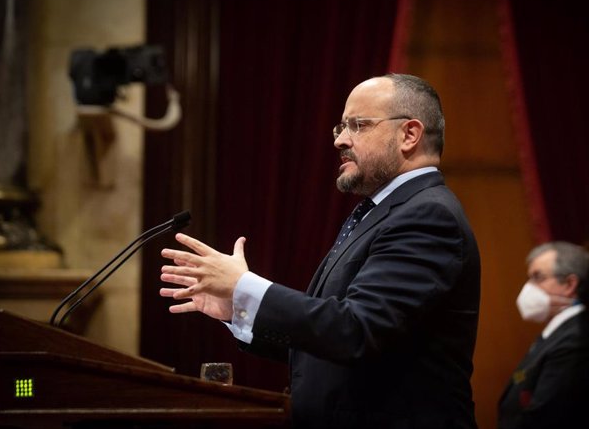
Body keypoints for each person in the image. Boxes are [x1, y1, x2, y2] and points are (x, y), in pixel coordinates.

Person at [159, 73, 481, 429]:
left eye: (358, 125)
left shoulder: (428, 216)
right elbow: (327, 344)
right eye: (340, 127)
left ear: (409, 135)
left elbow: (356, 331)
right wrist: (238, 308)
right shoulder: (383, 211)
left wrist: (245, 286)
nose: (341, 140)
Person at [498, 241, 589, 429]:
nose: (528, 288)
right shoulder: (556, 333)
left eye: (537, 277)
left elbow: (546, 419)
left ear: (569, 284)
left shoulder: (575, 339)